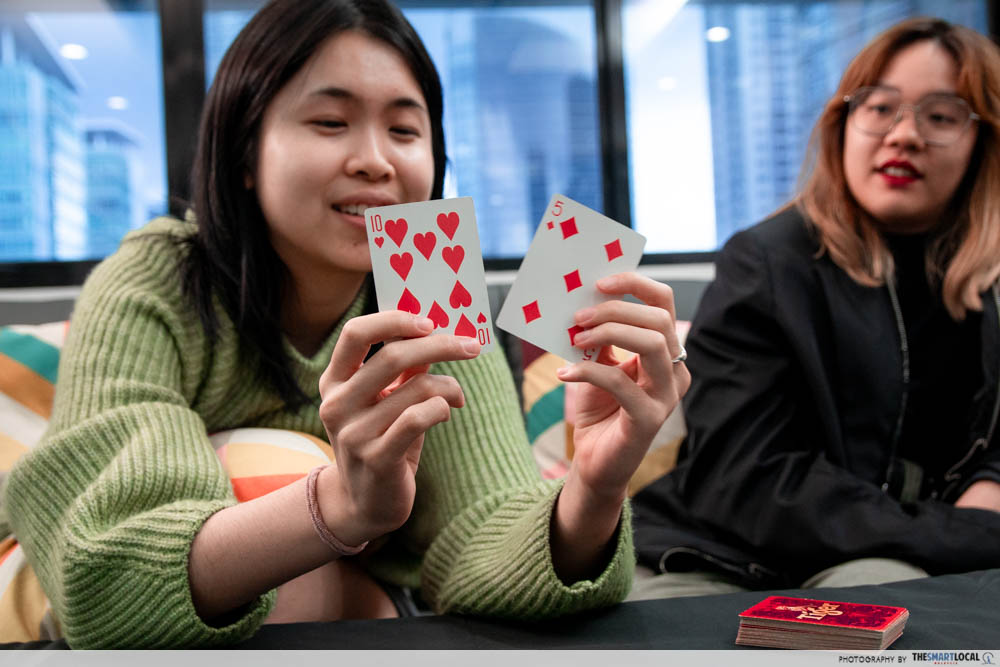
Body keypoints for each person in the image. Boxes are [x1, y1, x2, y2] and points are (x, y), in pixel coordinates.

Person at [2, 0, 688, 649]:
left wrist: (592, 491)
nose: (375, 160)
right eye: (330, 123)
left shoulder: (431, 292)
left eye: (404, 129)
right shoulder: (158, 277)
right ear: (245, 154)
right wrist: (336, 507)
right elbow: (106, 568)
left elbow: (484, 538)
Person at [629, 17, 1000, 600]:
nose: (904, 134)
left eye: (942, 115)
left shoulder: (993, 283)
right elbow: (746, 478)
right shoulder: (766, 262)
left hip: (908, 555)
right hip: (724, 551)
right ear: (843, 125)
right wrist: (963, 532)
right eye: (880, 108)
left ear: (984, 142)